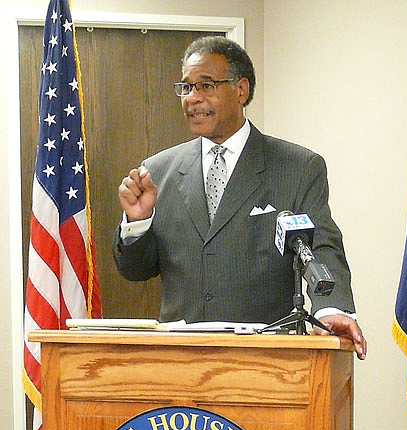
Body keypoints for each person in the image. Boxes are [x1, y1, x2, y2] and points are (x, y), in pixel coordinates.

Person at [113, 36, 366, 359]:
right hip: (180, 359)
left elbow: (321, 246)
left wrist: (331, 308)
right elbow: (136, 271)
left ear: (241, 90)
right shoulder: (158, 171)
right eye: (186, 87)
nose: (192, 98)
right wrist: (138, 221)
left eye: (206, 86)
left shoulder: (298, 166)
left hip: (266, 358)